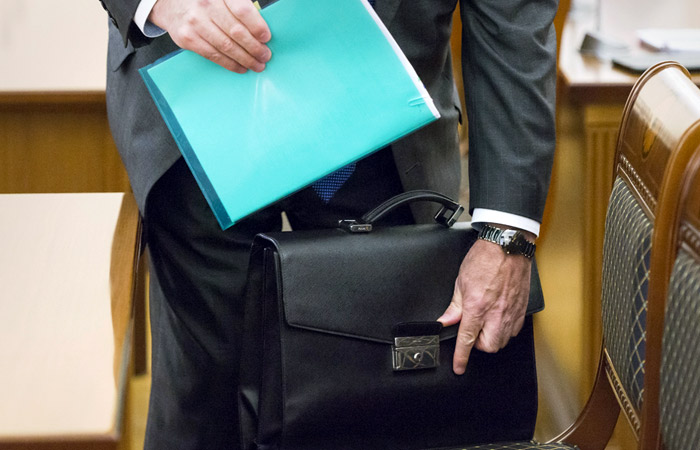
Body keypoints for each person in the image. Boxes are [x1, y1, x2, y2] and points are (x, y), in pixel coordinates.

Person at [99, 0, 557, 447]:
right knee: (205, 401)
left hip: (384, 118)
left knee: (381, 406)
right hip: (196, 96)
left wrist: (507, 233)